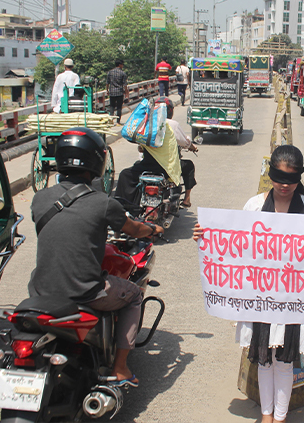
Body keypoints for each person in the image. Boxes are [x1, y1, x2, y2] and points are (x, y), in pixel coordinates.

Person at [192, 145, 304, 423]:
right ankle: (267, 416)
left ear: (299, 179)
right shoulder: (254, 206)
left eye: (291, 180)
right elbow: (237, 246)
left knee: (284, 361)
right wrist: (206, 236)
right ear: (270, 175)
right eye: (279, 178)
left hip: (295, 300)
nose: (284, 185)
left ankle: (280, 417)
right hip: (261, 297)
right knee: (264, 359)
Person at [29, 127, 163, 387]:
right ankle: (121, 368)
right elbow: (134, 229)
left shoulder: (40, 198)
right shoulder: (102, 202)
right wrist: (153, 229)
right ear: (96, 162)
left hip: (39, 291)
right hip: (84, 291)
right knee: (134, 294)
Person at [114, 97, 198, 207]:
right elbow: (185, 142)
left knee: (125, 174)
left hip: (147, 166)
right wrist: (192, 147)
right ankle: (186, 199)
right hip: (167, 168)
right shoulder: (172, 124)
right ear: (170, 111)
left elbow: (140, 148)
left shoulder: (147, 124)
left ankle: (124, 206)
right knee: (189, 166)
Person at [106, 59, 128, 124]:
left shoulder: (110, 72)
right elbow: (125, 84)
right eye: (122, 64)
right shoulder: (122, 73)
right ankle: (118, 122)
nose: (123, 66)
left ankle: (111, 120)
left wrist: (107, 90)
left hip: (112, 92)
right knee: (119, 107)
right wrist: (126, 92)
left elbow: (107, 82)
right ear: (120, 65)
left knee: (112, 107)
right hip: (120, 92)